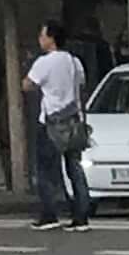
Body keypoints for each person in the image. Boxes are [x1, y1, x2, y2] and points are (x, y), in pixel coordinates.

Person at [26, 20, 93, 230]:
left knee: (46, 169)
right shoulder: (74, 61)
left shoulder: (44, 62)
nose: (40, 39)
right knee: (74, 167)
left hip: (51, 121)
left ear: (51, 38)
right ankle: (81, 216)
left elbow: (27, 84)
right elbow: (81, 82)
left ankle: (49, 213)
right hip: (73, 120)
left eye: (42, 35)